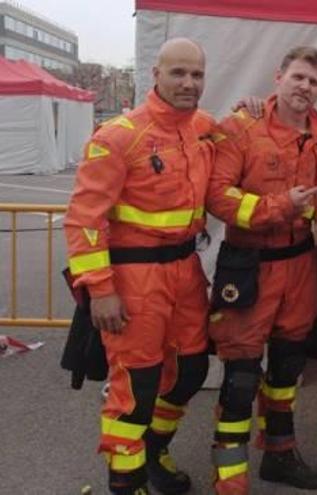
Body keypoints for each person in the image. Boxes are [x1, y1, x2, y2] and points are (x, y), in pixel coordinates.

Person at [64, 38, 214, 495]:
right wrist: (100, 288)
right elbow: (83, 219)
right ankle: (126, 482)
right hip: (134, 281)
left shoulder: (205, 129)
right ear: (156, 74)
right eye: (179, 73)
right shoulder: (117, 136)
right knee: (136, 389)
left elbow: (255, 133)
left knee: (191, 372)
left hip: (186, 272)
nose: (188, 83)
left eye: (197, 75)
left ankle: (154, 450)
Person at [204, 46, 317, 494]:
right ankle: (230, 478)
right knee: (240, 378)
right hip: (248, 267)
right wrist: (280, 206)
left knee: (285, 370)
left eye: (314, 82)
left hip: (299, 266)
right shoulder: (241, 127)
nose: (304, 87)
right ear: (279, 77)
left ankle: (280, 455)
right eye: (298, 77)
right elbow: (217, 197)